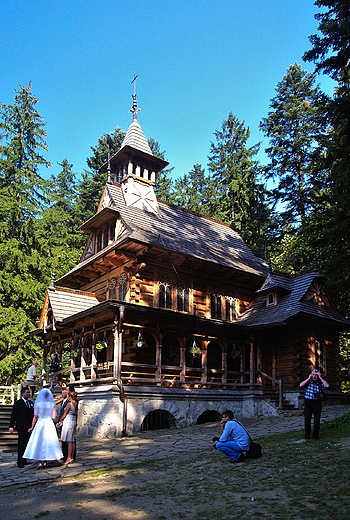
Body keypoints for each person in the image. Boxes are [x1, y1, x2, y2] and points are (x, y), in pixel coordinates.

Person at [23, 388, 63, 469]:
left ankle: (40, 462)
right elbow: (54, 417)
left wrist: (32, 426)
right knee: (48, 441)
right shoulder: (52, 405)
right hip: (48, 423)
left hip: (40, 423)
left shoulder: (39, 404)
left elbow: (35, 416)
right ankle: (45, 462)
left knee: (39, 441)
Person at [300, 369, 329, 440]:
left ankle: (315, 435)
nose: (314, 376)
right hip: (308, 401)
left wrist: (321, 378)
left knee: (317, 419)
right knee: (307, 418)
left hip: (317, 402)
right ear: (311, 375)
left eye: (316, 375)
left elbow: (327, 385)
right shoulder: (308, 381)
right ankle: (307, 434)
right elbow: (301, 385)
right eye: (313, 374)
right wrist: (308, 378)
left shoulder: (320, 382)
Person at [8, 386, 34, 468]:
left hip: (29, 426)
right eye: (27, 393)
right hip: (21, 426)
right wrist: (11, 426)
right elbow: (14, 415)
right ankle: (20, 460)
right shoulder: (18, 403)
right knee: (21, 443)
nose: (29, 394)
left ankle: (24, 459)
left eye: (29, 392)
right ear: (23, 394)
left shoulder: (30, 403)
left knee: (27, 443)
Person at [57, 390, 78, 466]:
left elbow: (64, 415)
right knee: (71, 440)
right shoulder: (75, 403)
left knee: (68, 441)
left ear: (70, 397)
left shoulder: (69, 404)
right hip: (73, 421)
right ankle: (71, 456)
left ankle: (69, 457)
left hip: (68, 422)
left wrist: (60, 421)